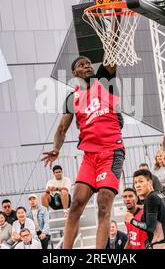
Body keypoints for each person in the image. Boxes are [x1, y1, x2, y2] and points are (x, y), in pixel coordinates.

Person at [42, 55, 126, 249]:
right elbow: (61, 129)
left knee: (103, 205)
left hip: (111, 152)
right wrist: (56, 149)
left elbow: (112, 50)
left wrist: (117, 23)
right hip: (90, 157)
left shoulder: (104, 82)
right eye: (82, 65)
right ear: (74, 73)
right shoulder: (73, 97)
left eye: (89, 63)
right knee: (75, 206)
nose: (87, 66)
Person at [125, 169, 165, 249]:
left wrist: (131, 220)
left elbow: (149, 227)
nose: (137, 185)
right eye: (135, 183)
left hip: (161, 245)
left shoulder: (151, 198)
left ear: (150, 182)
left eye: (141, 181)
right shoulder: (159, 194)